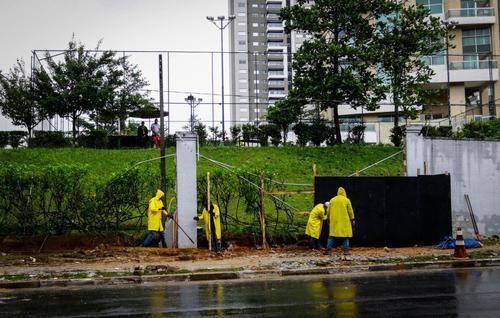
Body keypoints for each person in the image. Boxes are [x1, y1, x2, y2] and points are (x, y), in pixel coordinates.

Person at [325, 187, 355, 255]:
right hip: (344, 221)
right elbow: (350, 211)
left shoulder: (332, 200)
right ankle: (346, 250)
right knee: (345, 236)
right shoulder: (346, 200)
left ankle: (328, 250)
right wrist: (352, 219)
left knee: (331, 236)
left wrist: (328, 218)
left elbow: (328, 210)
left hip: (334, 221)